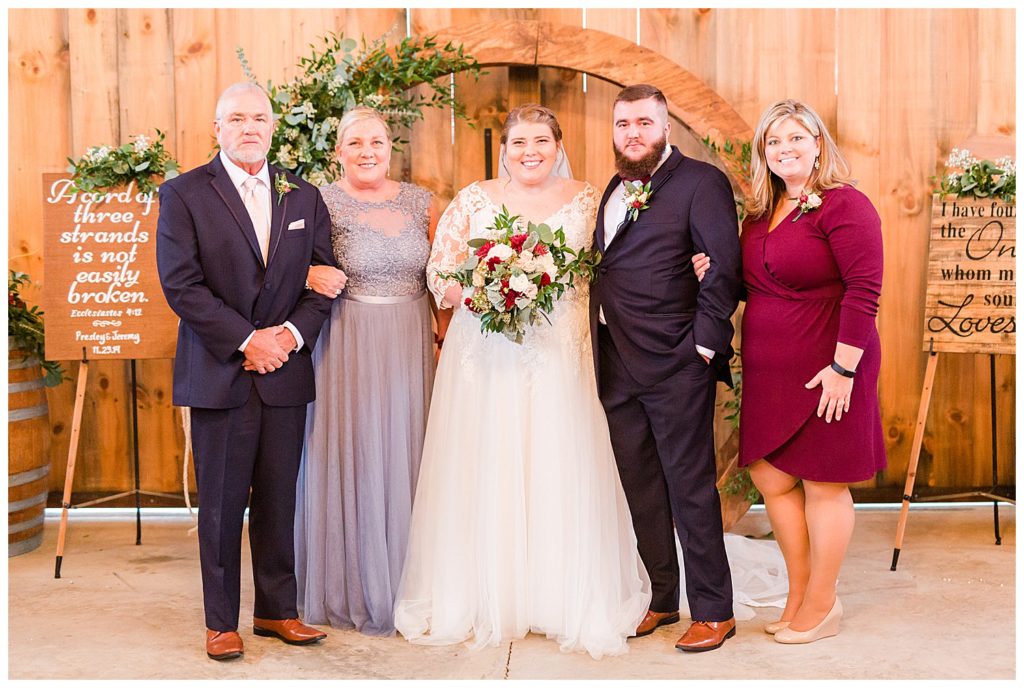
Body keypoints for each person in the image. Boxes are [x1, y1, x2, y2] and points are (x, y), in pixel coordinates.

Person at [394, 104, 651, 659]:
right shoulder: (474, 199)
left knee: (561, 459)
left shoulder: (590, 200)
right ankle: (488, 592)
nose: (529, 151)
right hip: (487, 353)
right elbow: (440, 269)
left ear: (559, 146)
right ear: (504, 150)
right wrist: (484, 292)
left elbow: (624, 261)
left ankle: (559, 594)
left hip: (561, 352)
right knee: (491, 461)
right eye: (518, 143)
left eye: (541, 141)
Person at [694, 99, 885, 644]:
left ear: (818, 143)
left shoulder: (845, 206)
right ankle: (799, 594)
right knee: (772, 477)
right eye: (774, 142)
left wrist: (842, 369)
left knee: (825, 483)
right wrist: (706, 270)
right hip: (772, 370)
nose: (785, 149)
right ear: (764, 154)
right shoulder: (761, 213)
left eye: (796, 138)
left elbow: (865, 291)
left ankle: (823, 605)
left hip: (830, 365)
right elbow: (747, 283)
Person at [156, 82, 334, 661]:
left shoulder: (303, 195)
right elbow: (181, 285)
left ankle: (277, 611)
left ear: (273, 125)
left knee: (281, 498)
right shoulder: (184, 194)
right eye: (237, 118)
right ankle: (219, 621)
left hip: (285, 370)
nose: (249, 127)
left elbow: (324, 279)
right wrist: (245, 341)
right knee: (223, 504)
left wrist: (287, 337)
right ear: (218, 129)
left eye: (259, 117)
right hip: (221, 372)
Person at [590, 84, 743, 653]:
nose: (633, 134)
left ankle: (714, 609)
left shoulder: (700, 182)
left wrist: (703, 347)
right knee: (642, 487)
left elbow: (722, 269)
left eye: (644, 124)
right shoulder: (614, 185)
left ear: (666, 128)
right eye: (623, 124)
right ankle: (662, 597)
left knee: (690, 487)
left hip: (677, 360)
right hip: (616, 361)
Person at [292, 106, 441, 636]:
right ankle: (350, 583)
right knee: (353, 448)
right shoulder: (318, 201)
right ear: (338, 151)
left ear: (390, 146)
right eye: (355, 143)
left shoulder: (422, 202)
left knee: (407, 447)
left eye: (376, 141)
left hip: (408, 341)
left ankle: (411, 578)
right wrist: (309, 272)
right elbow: (288, 265)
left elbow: (442, 275)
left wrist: (446, 335)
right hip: (346, 339)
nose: (367, 151)